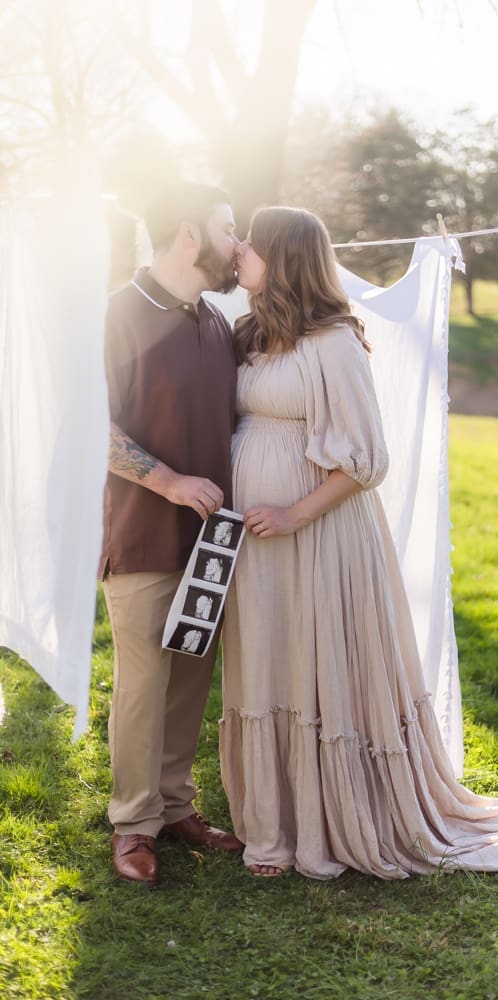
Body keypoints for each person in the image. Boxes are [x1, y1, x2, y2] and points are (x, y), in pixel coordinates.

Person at [221, 206, 498, 878]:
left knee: (315, 662)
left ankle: (332, 817)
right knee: (268, 661)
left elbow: (365, 461)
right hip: (257, 541)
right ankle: (273, 824)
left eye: (254, 238)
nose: (240, 246)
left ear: (285, 258)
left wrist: (294, 513)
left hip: (316, 535)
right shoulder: (250, 333)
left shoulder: (332, 342)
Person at [99, 182, 244, 886]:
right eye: (227, 227)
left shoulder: (216, 320)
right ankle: (133, 823)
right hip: (140, 531)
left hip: (211, 543)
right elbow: (91, 428)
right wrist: (169, 483)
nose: (236, 241)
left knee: (190, 674)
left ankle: (175, 804)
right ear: (190, 235)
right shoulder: (118, 314)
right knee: (143, 682)